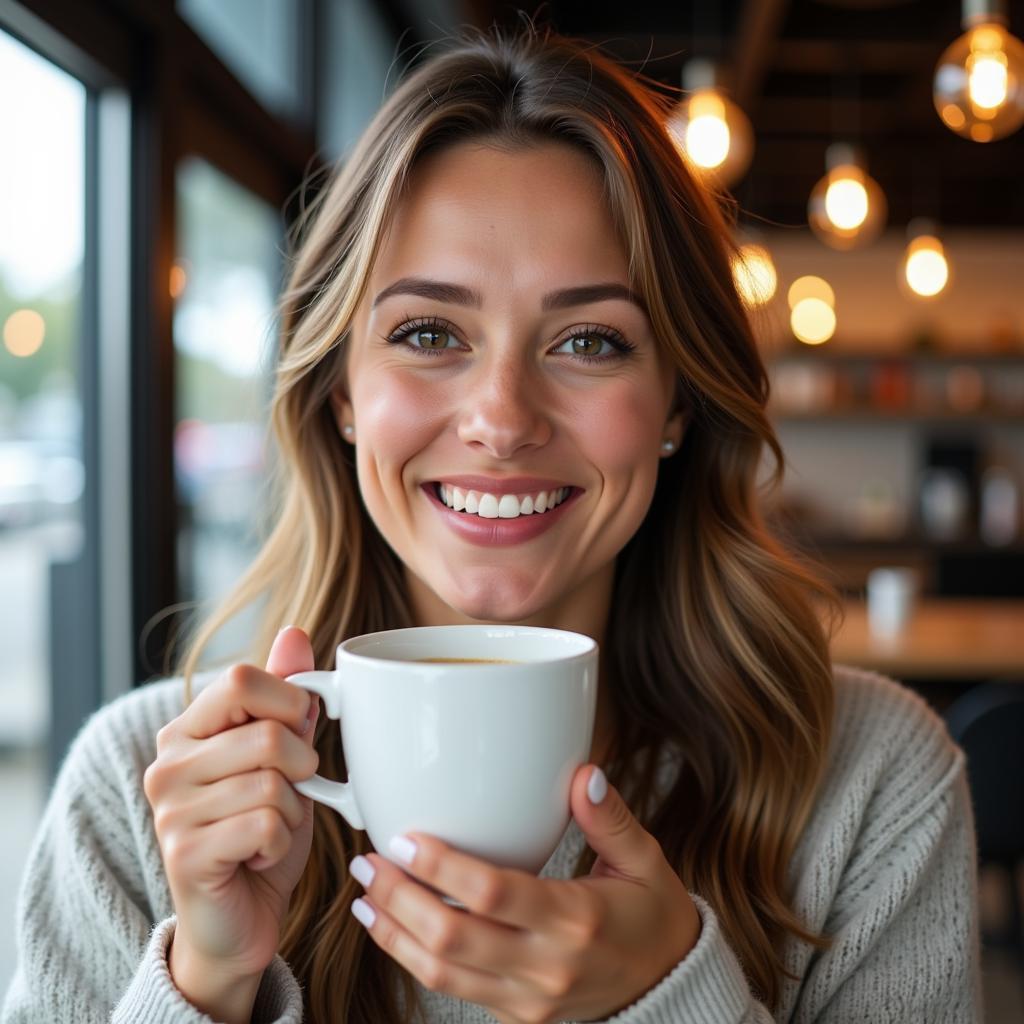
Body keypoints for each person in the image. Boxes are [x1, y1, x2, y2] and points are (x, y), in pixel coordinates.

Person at [2, 22, 982, 1024]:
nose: (503, 420)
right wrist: (207, 982)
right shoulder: (139, 791)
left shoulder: (868, 784)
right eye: (428, 333)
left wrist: (674, 997)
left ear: (678, 404)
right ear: (341, 392)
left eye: (589, 340)